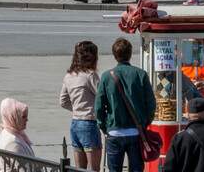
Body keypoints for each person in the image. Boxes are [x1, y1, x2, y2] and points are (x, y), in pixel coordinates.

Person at [96, 37, 157, 172]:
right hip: (136, 131)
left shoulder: (106, 76)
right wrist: (145, 122)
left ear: (114, 55)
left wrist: (105, 127)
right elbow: (151, 103)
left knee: (114, 169)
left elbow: (99, 107)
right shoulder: (140, 74)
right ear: (130, 54)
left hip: (114, 131)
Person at [61, 40, 103, 172]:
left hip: (75, 123)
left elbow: (63, 101)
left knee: (80, 168)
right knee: (93, 168)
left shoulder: (69, 76)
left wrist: (77, 109)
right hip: (89, 123)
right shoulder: (90, 75)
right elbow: (103, 96)